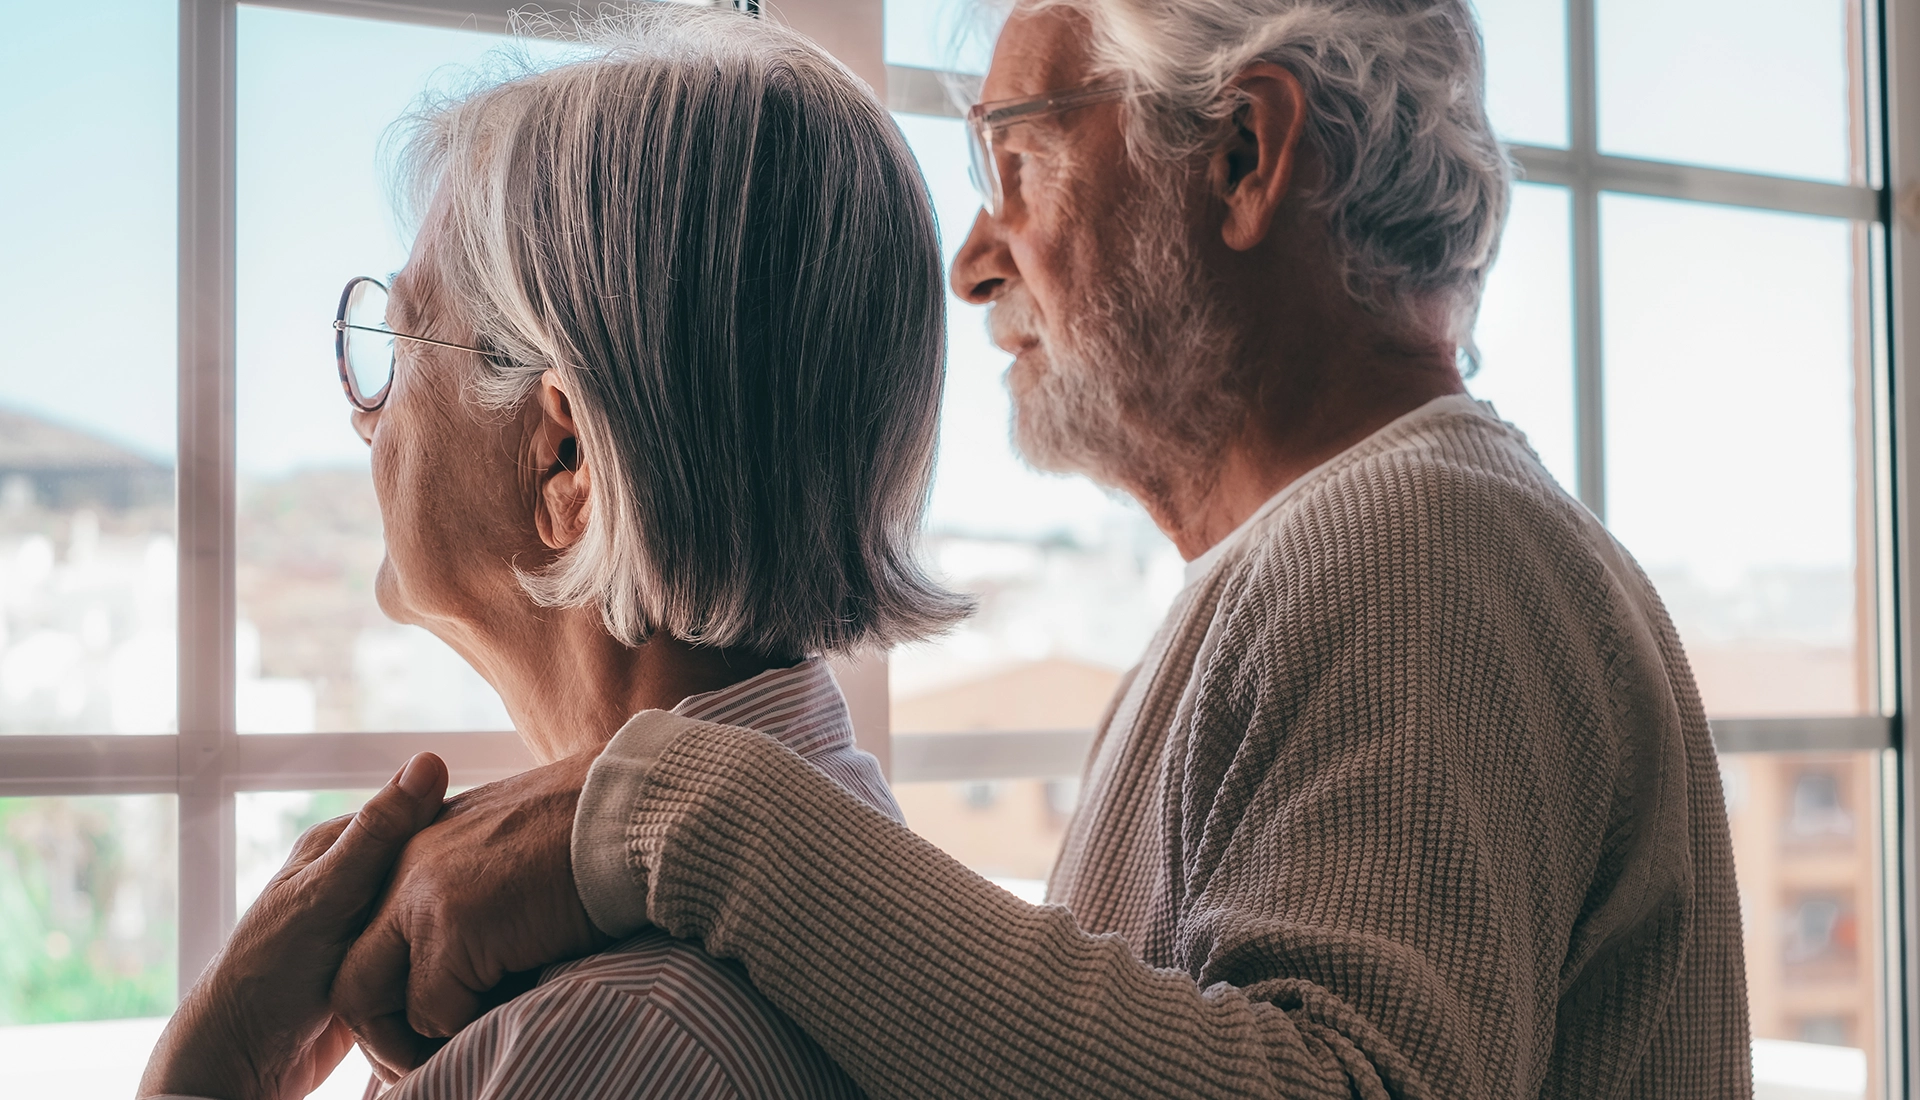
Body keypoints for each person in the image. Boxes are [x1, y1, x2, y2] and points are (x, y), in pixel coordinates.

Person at [328, 0, 1755, 1097]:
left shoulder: (1416, 544)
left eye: (1020, 156)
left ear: (1245, 158)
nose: (973, 257)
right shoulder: (1362, 556)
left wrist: (670, 813)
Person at [138, 8, 965, 1099]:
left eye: (396, 339)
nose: (362, 419)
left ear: (564, 457)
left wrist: (208, 1073)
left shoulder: (604, 1038)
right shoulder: (829, 876)